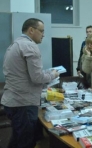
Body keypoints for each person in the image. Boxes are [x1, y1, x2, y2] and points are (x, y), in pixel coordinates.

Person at [1, 18, 60, 148]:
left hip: (13, 101)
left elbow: (25, 74)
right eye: (42, 31)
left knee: (17, 139)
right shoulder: (29, 46)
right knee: (26, 142)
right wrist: (53, 74)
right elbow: (37, 77)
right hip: (23, 103)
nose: (43, 35)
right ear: (31, 30)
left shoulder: (15, 44)